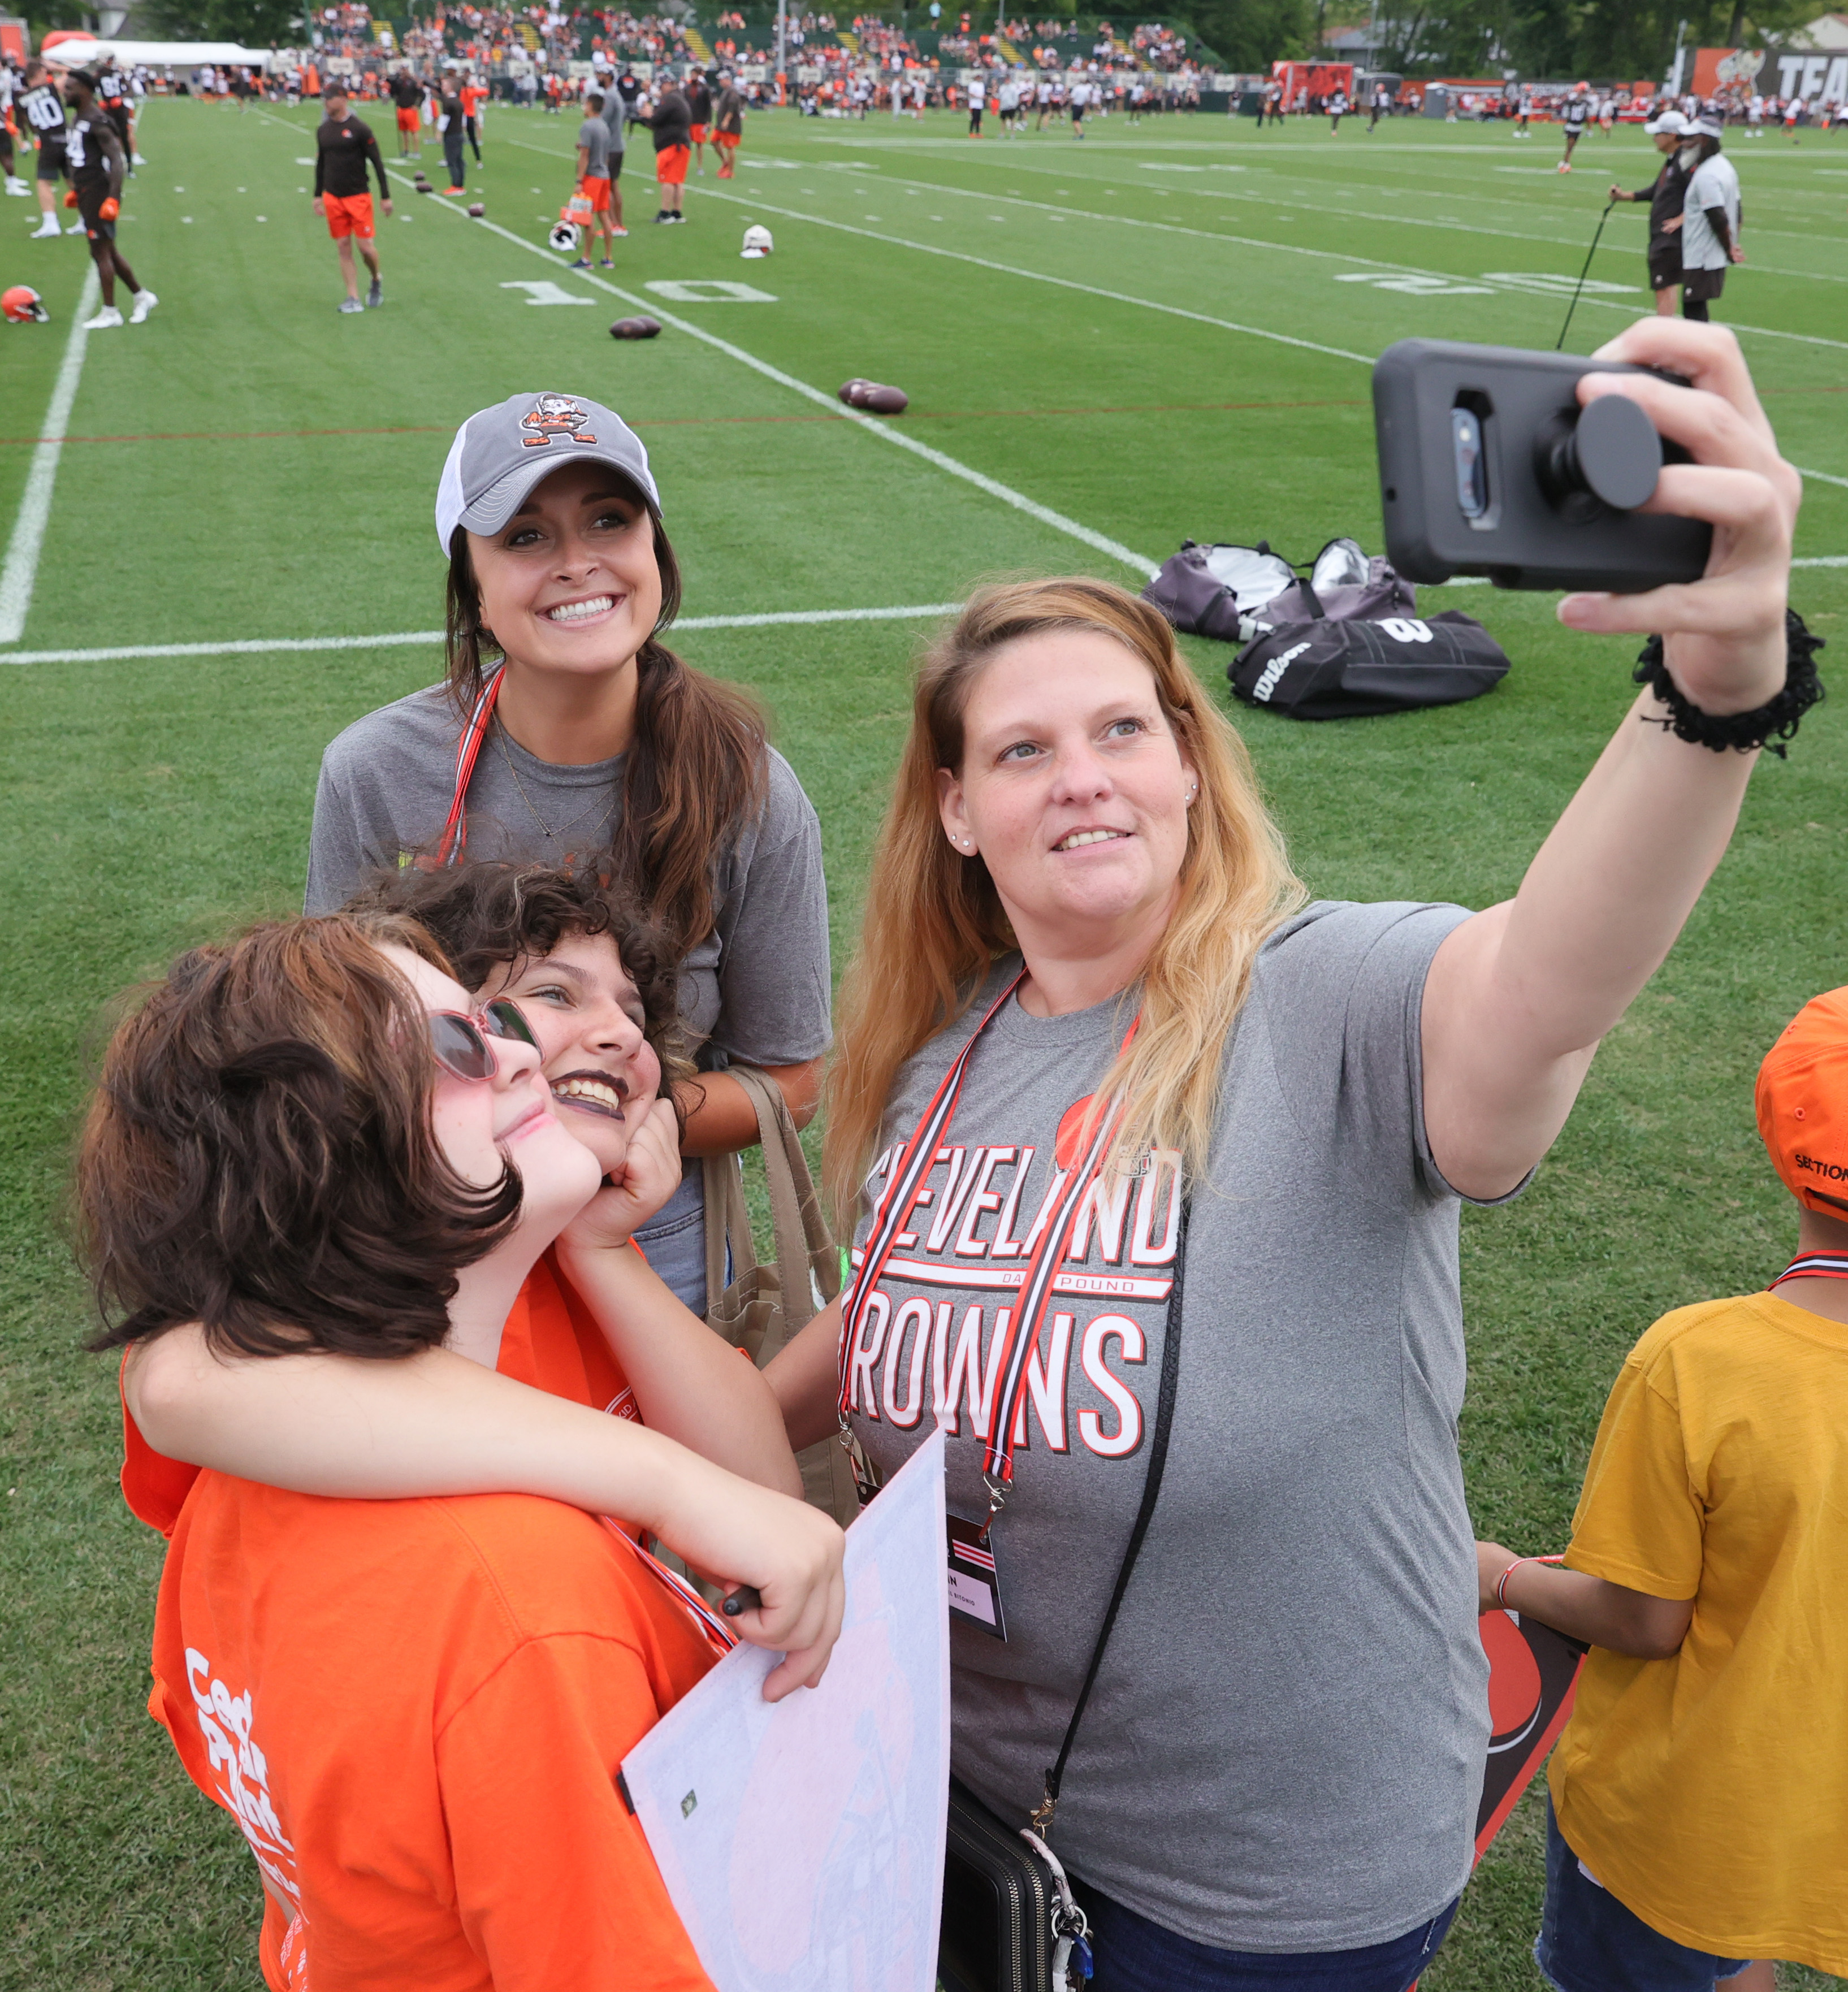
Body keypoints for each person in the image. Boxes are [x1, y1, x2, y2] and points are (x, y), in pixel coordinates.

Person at [751, 321, 1803, 1984]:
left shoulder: (1325, 1000)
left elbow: (1548, 981)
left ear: (1188, 758)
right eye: (1021, 749)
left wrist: (1717, 683)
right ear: (953, 807)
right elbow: (895, 1311)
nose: (1081, 778)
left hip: (1258, 1888)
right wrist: (666, 1466)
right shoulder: (943, 1052)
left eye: (1123, 729)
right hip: (967, 1806)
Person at [85, 912, 845, 1987]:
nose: (526, 1052)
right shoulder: (523, 1606)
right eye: (460, 1043)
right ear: (323, 1150)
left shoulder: (237, 1491)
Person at [303, 392, 831, 1318]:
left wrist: (610, 1112)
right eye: (525, 537)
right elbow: (332, 1047)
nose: (578, 561)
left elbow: (793, 1081)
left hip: (651, 1243)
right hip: (430, 1240)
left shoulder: (748, 785)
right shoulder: (375, 773)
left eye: (608, 519)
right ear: (469, 583)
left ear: (654, 554)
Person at [1478, 984, 1848, 1991]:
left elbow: (1641, 1618)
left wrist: (1501, 1576)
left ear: (1782, 1135)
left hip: (1682, 1822)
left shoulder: (1697, 1360)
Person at [63, 71, 154, 330]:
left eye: (70, 88)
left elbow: (117, 161)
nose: (65, 92)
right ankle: (141, 296)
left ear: (85, 90)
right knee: (107, 250)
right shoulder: (79, 117)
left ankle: (111, 311)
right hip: (86, 190)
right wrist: (76, 189)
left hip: (99, 191)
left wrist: (112, 199)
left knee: (100, 250)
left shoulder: (98, 120)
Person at [312, 81, 390, 312]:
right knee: (343, 246)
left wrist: (386, 196)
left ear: (343, 99)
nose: (325, 102)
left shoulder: (360, 129)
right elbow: (321, 164)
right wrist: (318, 195)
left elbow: (377, 163)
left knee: (366, 248)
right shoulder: (323, 130)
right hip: (333, 198)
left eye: (329, 98)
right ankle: (353, 297)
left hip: (358, 197)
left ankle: (376, 278)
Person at [1612, 109, 1691, 317]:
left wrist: (1681, 219)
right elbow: (1657, 190)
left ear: (1672, 136)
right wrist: (1625, 196)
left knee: (1665, 286)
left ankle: (1664, 335)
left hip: (1670, 237)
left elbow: (1701, 195)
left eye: (1658, 134)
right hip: (1661, 234)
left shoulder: (1685, 161)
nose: (1655, 139)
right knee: (1663, 285)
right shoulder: (1674, 160)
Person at [1680, 117, 1743, 323]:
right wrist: (1733, 244)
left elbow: (1717, 216)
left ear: (1704, 140)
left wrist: (1729, 249)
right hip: (1709, 254)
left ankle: (1699, 354)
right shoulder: (1723, 167)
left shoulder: (1707, 175)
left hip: (1703, 256)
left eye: (1690, 138)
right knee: (1696, 310)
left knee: (1694, 312)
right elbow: (1738, 211)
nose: (1684, 143)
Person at [19, 60, 68, 239]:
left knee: (43, 182)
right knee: (72, 181)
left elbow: (28, 122)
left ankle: (51, 223)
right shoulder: (52, 88)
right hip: (65, 138)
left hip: (48, 141)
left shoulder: (23, 98)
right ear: (39, 72)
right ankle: (88, 219)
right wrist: (60, 67)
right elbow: (68, 77)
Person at [633, 73, 691, 223]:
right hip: (681, 143)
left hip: (672, 145)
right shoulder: (679, 98)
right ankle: (677, 213)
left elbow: (656, 120)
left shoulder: (670, 99)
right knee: (678, 181)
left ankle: (665, 213)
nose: (660, 88)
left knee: (668, 179)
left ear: (668, 84)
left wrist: (648, 115)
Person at [571, 91, 617, 266]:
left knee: (587, 218)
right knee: (604, 217)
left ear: (590, 105)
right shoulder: (604, 126)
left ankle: (587, 258)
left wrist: (579, 181)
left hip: (593, 177)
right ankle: (608, 257)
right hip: (605, 175)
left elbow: (585, 155)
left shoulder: (588, 126)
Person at [598, 71, 631, 235]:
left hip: (610, 147)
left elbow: (602, 121)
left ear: (609, 77)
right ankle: (618, 224)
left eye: (602, 75)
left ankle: (611, 224)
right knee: (614, 186)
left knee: (607, 186)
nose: (599, 78)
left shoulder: (610, 96)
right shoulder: (616, 95)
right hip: (618, 145)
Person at [436, 73, 468, 194]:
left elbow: (444, 119)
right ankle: (460, 185)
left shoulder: (449, 102)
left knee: (452, 160)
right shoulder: (459, 102)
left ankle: (456, 186)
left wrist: (439, 133)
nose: (443, 87)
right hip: (459, 134)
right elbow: (463, 120)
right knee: (459, 160)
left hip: (451, 135)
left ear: (450, 87)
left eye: (445, 85)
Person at [713, 73, 744, 179]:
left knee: (730, 147)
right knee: (714, 141)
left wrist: (726, 121)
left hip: (731, 125)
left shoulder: (732, 91)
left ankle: (730, 171)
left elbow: (732, 108)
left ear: (727, 79)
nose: (720, 82)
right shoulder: (726, 91)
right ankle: (725, 162)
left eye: (722, 80)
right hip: (721, 125)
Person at [388, 64, 423, 157]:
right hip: (401, 109)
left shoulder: (413, 82)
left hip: (410, 109)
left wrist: (417, 105)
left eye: (406, 70)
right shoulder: (399, 82)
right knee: (404, 131)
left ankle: (416, 151)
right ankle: (406, 150)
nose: (404, 71)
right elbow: (393, 92)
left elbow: (421, 94)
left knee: (414, 131)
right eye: (403, 70)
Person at [686, 67, 712, 174]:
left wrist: (709, 121)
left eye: (694, 74)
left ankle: (700, 166)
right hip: (689, 120)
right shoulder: (687, 88)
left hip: (700, 120)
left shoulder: (704, 88)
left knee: (700, 144)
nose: (693, 76)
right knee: (686, 144)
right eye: (692, 74)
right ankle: (684, 164)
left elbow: (708, 105)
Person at [1559, 83, 1591, 169]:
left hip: (1578, 126)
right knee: (1570, 146)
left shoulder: (1584, 102)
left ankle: (1565, 162)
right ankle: (1566, 163)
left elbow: (1587, 115)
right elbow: (1566, 113)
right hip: (1571, 125)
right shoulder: (1572, 99)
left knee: (1572, 146)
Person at [967, 70, 985, 135]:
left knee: (979, 119)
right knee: (973, 119)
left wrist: (983, 97)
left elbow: (983, 94)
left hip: (980, 104)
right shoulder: (973, 84)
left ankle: (978, 132)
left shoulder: (982, 85)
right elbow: (971, 94)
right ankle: (971, 132)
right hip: (974, 104)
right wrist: (979, 97)